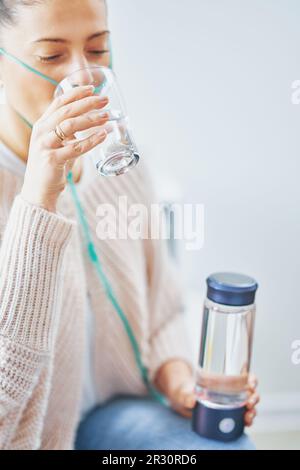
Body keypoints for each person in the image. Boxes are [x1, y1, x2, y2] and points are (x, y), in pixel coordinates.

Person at [0, 0, 259, 450]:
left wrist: (179, 381)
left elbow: (162, 306)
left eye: (98, 50)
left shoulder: (120, 165)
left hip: (115, 417)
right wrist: (39, 196)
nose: (82, 77)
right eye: (51, 56)